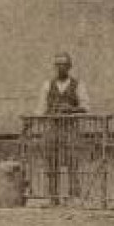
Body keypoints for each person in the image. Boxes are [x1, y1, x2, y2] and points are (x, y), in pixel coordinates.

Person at [34, 52, 90, 204]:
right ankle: (53, 197)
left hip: (71, 129)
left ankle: (74, 196)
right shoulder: (47, 85)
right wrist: (35, 122)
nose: (60, 67)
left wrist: (71, 109)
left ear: (69, 66)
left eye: (64, 64)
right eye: (57, 64)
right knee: (51, 162)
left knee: (72, 162)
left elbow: (86, 107)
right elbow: (40, 108)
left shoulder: (78, 85)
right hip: (52, 128)